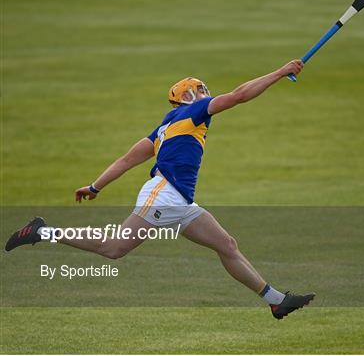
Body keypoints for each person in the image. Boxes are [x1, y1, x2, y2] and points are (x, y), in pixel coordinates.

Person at [5, 59, 315, 319]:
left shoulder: (164, 128)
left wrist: (95, 186)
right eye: (201, 90)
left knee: (227, 245)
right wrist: (278, 72)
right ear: (189, 96)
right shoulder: (195, 111)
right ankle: (42, 231)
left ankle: (275, 300)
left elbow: (127, 159)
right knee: (114, 249)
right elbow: (239, 95)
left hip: (179, 200)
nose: (207, 93)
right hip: (164, 194)